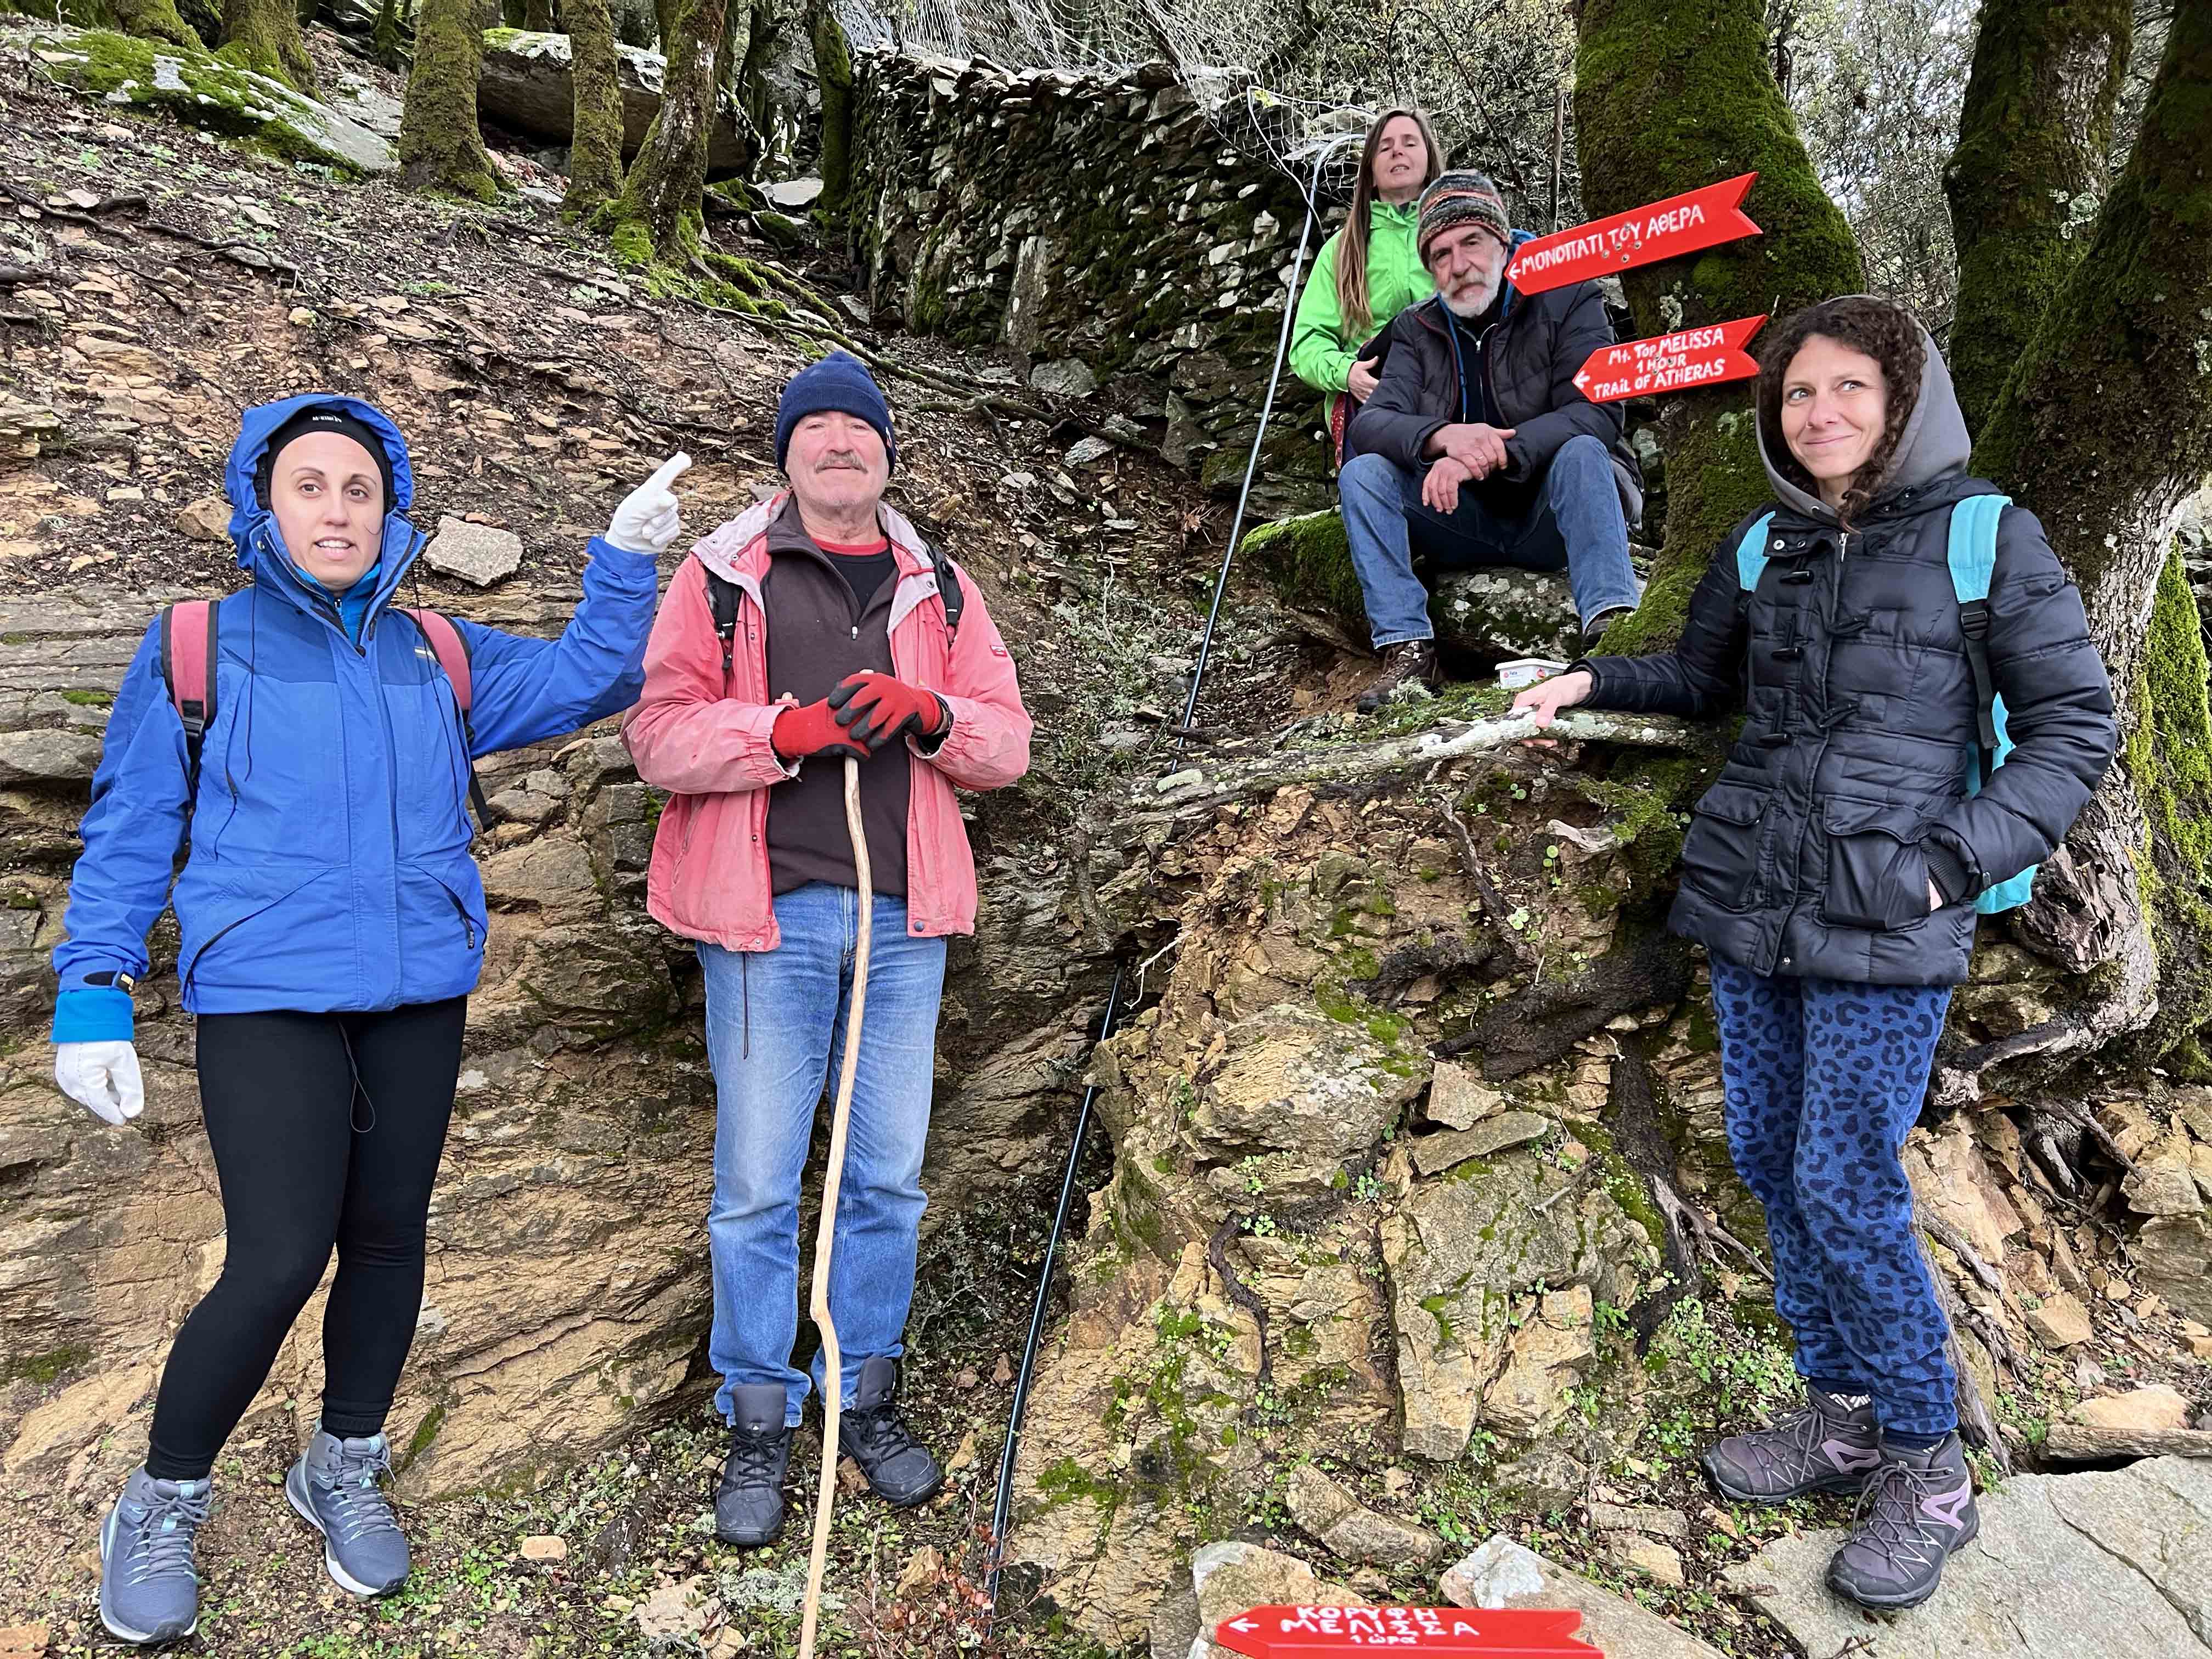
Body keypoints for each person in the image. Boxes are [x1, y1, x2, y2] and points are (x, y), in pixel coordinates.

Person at [1513, 296, 2117, 1611]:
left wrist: (1947, 862)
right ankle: (1841, 1415)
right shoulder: (1763, 538)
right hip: (1751, 900)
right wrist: (1590, 683)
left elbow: (2076, 723)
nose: (1821, 413)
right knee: (1771, 1163)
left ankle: (1929, 1466)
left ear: (1903, 401)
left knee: (1844, 1179)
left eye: (1850, 388)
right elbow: (1700, 681)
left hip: (1890, 916)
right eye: (1797, 392)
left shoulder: (1984, 533)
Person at [51, 394, 682, 1644]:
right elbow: (131, 827)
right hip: (267, 995)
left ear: (389, 511)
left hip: (413, 994)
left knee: (389, 1238)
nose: (337, 510)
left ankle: (340, 1464)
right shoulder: (199, 646)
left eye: (359, 489)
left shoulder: (433, 655)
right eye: (310, 486)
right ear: (264, 507)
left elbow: (590, 677)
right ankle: (164, 1496)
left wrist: (625, 559)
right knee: (281, 1255)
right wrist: (92, 995)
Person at [622, 351, 1032, 1549]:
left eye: (861, 430)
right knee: (755, 1184)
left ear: (887, 456)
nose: (840, 446)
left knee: (885, 1177)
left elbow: (1006, 742)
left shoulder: (940, 592)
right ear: (787, 454)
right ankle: (760, 1412)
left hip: (905, 926)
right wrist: (783, 731)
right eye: (819, 431)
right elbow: (658, 734)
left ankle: (864, 1397)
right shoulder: (720, 578)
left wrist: (934, 716)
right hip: (764, 919)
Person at [1343, 170, 1645, 713]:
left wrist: (1493, 452)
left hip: (1554, 512)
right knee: (1363, 474)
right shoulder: (1417, 327)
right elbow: (1372, 421)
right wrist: (1443, 438)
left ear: (1503, 243)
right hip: (1464, 521)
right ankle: (1409, 650)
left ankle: (1612, 631)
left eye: (1471, 243)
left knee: (1581, 451)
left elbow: (1598, 413)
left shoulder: (1568, 296)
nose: (1458, 266)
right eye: (1439, 255)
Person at [1288, 106, 1445, 461]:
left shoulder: (1459, 237)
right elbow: (1307, 344)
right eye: (1385, 146)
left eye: (1409, 142)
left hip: (1447, 390)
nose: (1397, 151)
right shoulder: (1342, 250)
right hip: (1374, 400)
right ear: (1371, 172)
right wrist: (1348, 373)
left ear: (1429, 163)